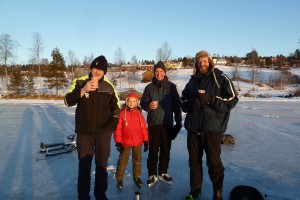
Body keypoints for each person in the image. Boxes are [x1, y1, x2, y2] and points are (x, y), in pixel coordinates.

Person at [181, 50, 238, 200]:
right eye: (199, 62)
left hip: (212, 129)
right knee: (194, 162)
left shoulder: (220, 78)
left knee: (214, 164)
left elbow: (232, 100)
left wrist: (211, 99)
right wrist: (189, 104)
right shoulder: (192, 81)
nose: (202, 64)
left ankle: (217, 194)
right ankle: (195, 190)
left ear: (210, 62)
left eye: (204, 61)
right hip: (193, 128)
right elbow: (183, 100)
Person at [64, 55, 120, 200]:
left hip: (103, 132)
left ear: (105, 72)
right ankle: (83, 196)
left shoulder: (109, 87)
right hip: (84, 132)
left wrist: (111, 127)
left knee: (101, 166)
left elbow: (116, 108)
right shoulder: (80, 81)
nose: (98, 72)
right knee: (84, 167)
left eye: (101, 70)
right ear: (91, 68)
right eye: (96, 68)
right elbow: (67, 100)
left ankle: (100, 195)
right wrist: (83, 90)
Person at [140, 61, 182, 187]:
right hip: (153, 124)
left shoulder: (171, 87)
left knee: (165, 149)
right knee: (153, 150)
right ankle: (152, 174)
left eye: (161, 71)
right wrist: (148, 106)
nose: (159, 73)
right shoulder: (149, 87)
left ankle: (163, 172)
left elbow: (177, 106)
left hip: (167, 124)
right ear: (154, 73)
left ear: (165, 73)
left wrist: (179, 122)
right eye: (156, 71)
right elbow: (142, 103)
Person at [113, 92, 149, 190]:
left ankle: (136, 177)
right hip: (125, 142)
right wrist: (118, 142)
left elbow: (143, 129)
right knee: (123, 160)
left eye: (134, 101)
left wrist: (146, 141)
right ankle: (119, 178)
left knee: (137, 160)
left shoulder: (139, 115)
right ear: (126, 101)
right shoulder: (121, 114)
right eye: (130, 101)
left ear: (137, 102)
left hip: (138, 142)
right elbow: (118, 129)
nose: (132, 103)